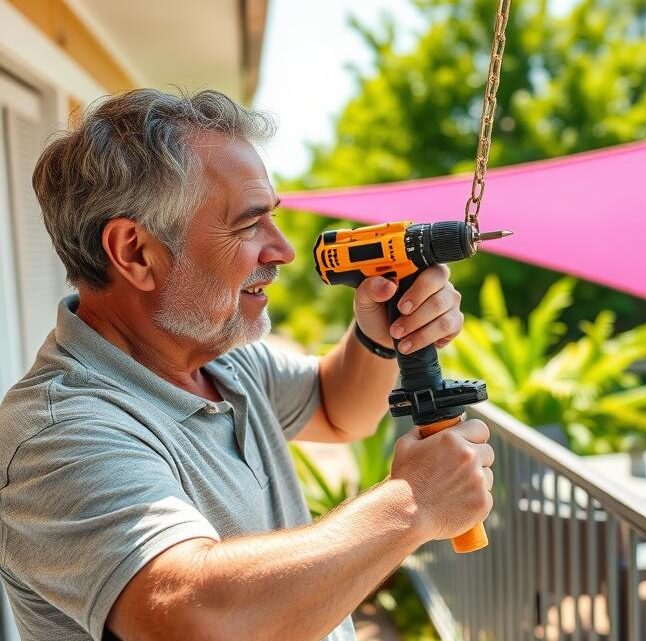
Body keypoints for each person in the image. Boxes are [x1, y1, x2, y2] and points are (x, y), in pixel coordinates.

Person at [0, 89, 494, 641]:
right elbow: (195, 621)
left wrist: (379, 336)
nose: (282, 250)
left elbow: (338, 411)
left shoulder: (221, 360)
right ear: (136, 252)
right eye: (248, 224)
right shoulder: (58, 434)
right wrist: (412, 505)